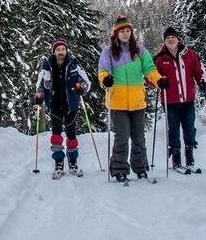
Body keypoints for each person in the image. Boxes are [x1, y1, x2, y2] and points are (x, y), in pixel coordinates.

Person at [98, 16, 167, 182]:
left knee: (138, 137)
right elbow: (103, 69)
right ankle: (119, 169)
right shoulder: (108, 51)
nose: (125, 33)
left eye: (128, 30)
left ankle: (141, 168)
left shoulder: (140, 50)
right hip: (118, 102)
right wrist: (105, 78)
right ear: (116, 33)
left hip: (137, 101)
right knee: (121, 137)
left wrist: (158, 80)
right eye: (122, 31)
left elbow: (150, 68)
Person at [35, 39, 91, 179]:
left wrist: (81, 88)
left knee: (71, 134)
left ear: (66, 51)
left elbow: (86, 82)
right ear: (53, 52)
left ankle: (73, 162)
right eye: (58, 50)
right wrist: (39, 95)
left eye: (63, 50)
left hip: (70, 104)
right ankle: (58, 163)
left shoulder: (74, 65)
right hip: (54, 104)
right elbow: (40, 85)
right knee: (56, 135)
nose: (61, 52)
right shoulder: (47, 67)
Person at [153, 26, 206, 171]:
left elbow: (198, 71)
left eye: (173, 37)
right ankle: (176, 158)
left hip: (188, 99)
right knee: (174, 129)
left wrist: (202, 82)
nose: (171, 40)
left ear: (178, 39)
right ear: (164, 41)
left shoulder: (189, 54)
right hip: (170, 101)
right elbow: (151, 77)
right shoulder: (159, 58)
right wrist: (157, 82)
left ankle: (190, 156)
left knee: (189, 128)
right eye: (168, 38)